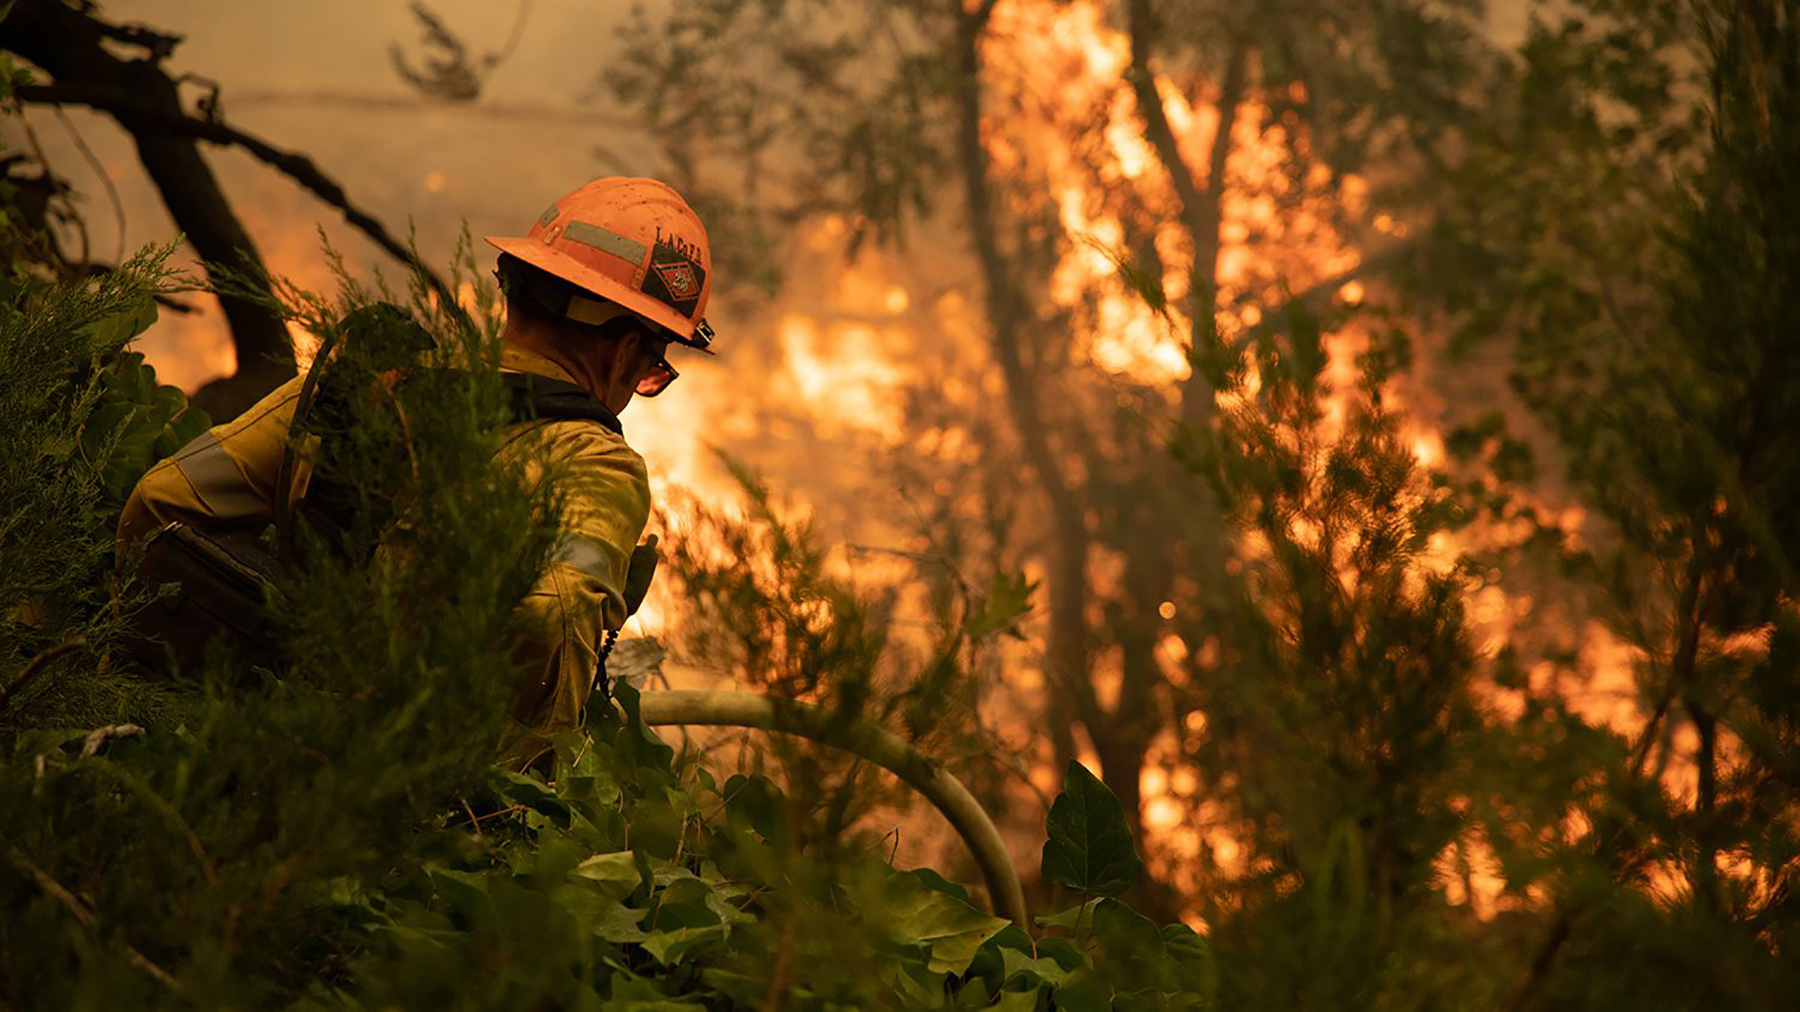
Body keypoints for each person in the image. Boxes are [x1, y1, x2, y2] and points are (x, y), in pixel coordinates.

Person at [115, 177, 717, 760]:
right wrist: (519, 793)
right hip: (403, 810)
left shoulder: (355, 389)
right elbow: (549, 618)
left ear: (519, 289)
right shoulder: (594, 462)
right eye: (651, 369)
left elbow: (163, 500)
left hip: (229, 751)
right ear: (621, 348)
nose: (636, 387)